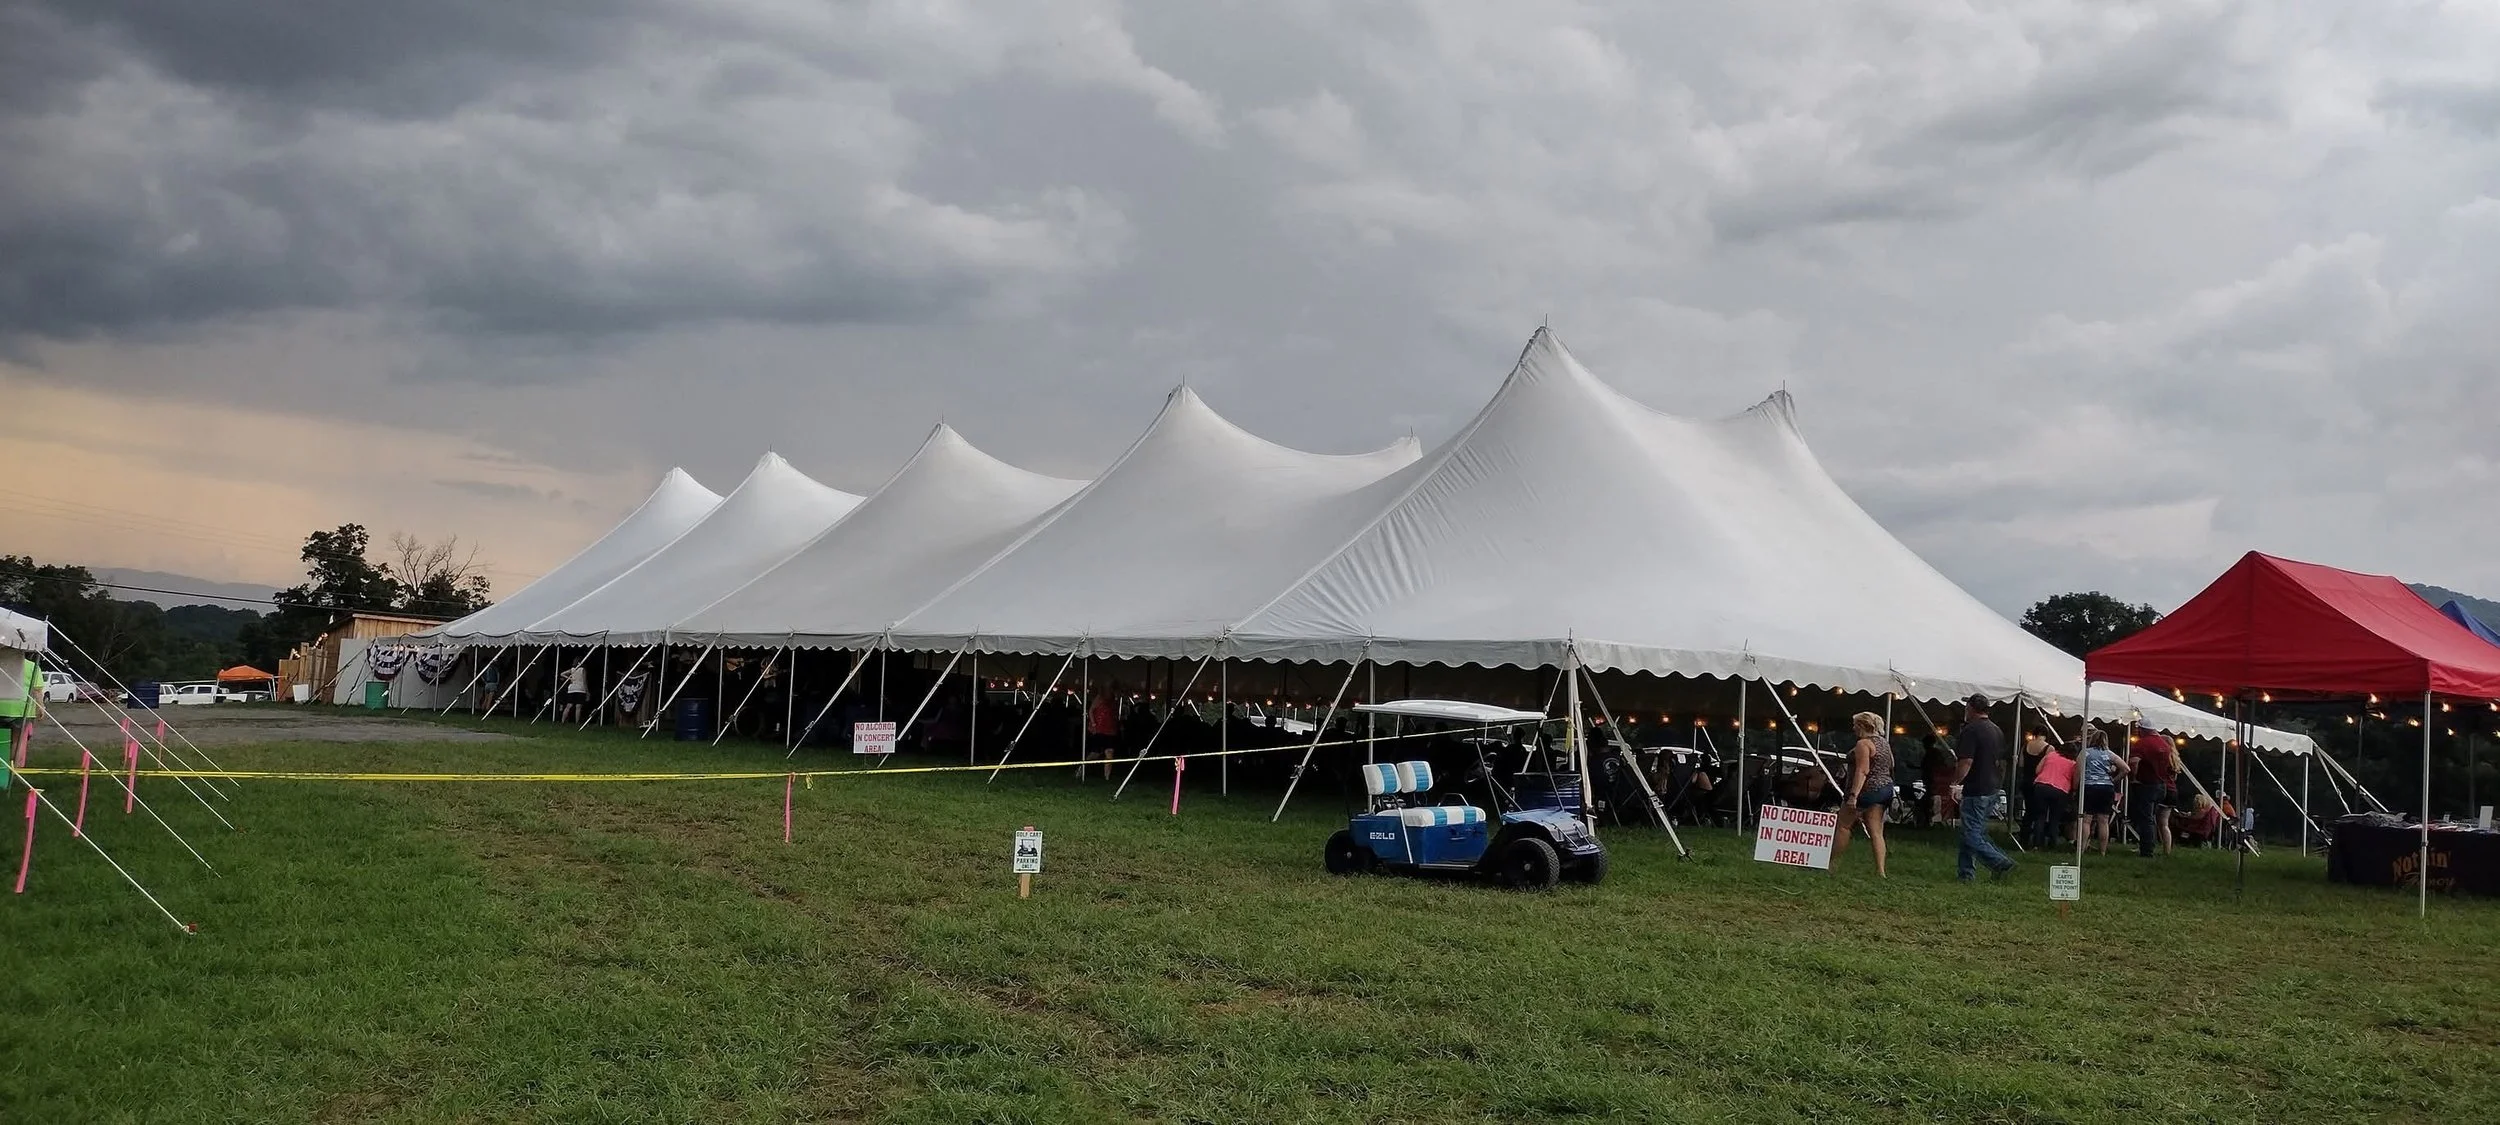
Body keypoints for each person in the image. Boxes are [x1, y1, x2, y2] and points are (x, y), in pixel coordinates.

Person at [1952, 695, 2016, 882]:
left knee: (1971, 834)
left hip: (1976, 787)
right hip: (1992, 786)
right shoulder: (1996, 730)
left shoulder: (1971, 730)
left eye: (1966, 707)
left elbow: (1966, 761)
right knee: (1972, 831)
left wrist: (1955, 783)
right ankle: (1966, 874)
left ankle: (2000, 862)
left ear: (1971, 708)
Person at [1830, 712, 1895, 877]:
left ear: (1862, 726)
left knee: (1844, 826)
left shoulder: (1863, 744)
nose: (1853, 728)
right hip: (1884, 789)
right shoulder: (1884, 743)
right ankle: (1881, 871)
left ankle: (1831, 864)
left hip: (1867, 789)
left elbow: (1862, 770)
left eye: (1855, 725)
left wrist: (1853, 795)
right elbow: (1892, 764)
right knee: (1876, 831)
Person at [2129, 729, 2179, 857]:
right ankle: (2167, 850)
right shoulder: (2175, 759)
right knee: (2164, 823)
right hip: (2172, 791)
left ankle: (2147, 846)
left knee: (2149, 819)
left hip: (2160, 788)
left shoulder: (2160, 757)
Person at [2027, 734, 2076, 849]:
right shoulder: (2072, 764)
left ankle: (2036, 845)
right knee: (2055, 818)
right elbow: (2074, 780)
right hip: (2060, 790)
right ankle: (2052, 844)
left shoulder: (2050, 755)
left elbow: (2038, 770)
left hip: (2041, 786)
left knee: (2040, 816)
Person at [2078, 729, 2124, 853]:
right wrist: (2114, 780)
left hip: (2089, 787)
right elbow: (2126, 768)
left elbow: (2078, 770)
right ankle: (2102, 851)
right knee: (2103, 821)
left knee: (2086, 820)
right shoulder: (2109, 754)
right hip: (2106, 788)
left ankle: (2081, 849)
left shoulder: (2085, 753)